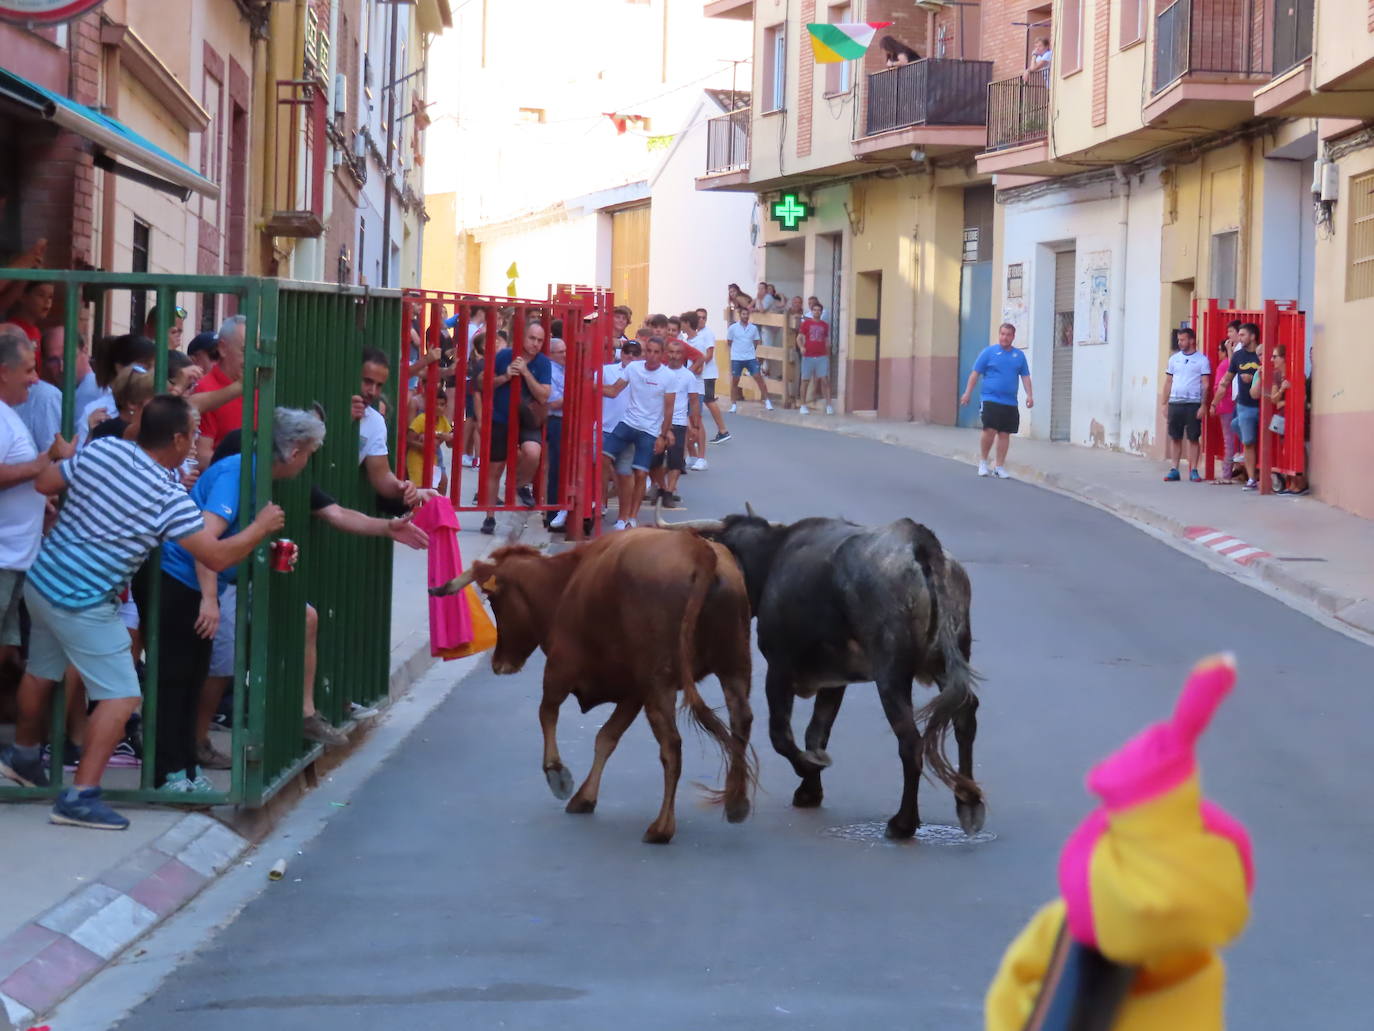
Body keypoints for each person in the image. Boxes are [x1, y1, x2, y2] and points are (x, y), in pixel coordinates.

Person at [0, 395, 284, 829]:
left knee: (41, 672)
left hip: (44, 580)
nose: (194, 443)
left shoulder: (105, 449)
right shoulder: (167, 495)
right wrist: (260, 529)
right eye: (191, 434)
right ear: (174, 438)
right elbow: (217, 556)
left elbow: (43, 484)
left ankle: (21, 758)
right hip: (83, 600)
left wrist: (76, 469)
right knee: (122, 696)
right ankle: (80, 797)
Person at [150, 408, 323, 791]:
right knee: (177, 679)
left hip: (196, 584)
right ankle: (167, 773)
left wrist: (262, 543)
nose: (308, 461)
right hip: (179, 581)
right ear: (294, 451)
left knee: (193, 678)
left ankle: (185, 768)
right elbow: (205, 541)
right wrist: (210, 599)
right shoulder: (238, 473)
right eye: (309, 452)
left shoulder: (256, 473)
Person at [0, 328, 53, 676]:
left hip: (15, 557)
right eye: (29, 370)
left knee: (7, 649)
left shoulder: (9, 413)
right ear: (4, 371)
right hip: (2, 557)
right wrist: (43, 463)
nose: (35, 379)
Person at [479, 320, 552, 534]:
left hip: (527, 419)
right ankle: (489, 516)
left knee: (533, 452)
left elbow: (544, 395)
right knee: (495, 468)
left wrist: (526, 373)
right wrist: (505, 376)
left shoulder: (543, 363)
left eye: (540, 340)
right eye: (532, 338)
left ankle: (521, 484)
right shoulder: (504, 355)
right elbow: (482, 382)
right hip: (501, 417)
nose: (536, 344)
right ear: (522, 337)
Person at [602, 335, 676, 530]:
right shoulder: (633, 368)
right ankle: (604, 500)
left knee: (641, 474)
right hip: (627, 423)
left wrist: (663, 436)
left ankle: (631, 518)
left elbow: (669, 410)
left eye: (656, 352)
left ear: (663, 355)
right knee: (602, 457)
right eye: (648, 351)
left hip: (649, 431)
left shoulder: (668, 377)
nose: (651, 356)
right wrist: (588, 385)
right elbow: (614, 391)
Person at [960, 322, 1033, 479]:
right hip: (990, 399)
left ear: (1013, 337)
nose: (1004, 337)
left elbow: (1025, 376)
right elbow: (975, 374)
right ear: (999, 335)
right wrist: (967, 393)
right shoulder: (988, 353)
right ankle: (983, 462)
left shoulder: (1019, 356)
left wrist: (1029, 395)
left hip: (1010, 402)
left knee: (1005, 434)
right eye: (1002, 334)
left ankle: (999, 466)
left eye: (1008, 335)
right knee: (990, 430)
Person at [77, 333, 158, 446]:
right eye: (145, 368)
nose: (151, 374)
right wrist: (90, 434)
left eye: (155, 368)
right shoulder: (96, 410)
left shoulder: (160, 403)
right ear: (120, 367)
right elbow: (78, 457)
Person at [1210, 321, 1262, 491]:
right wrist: (1215, 402)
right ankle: (1252, 478)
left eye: (1242, 335)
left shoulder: (1261, 354)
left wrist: (1254, 376)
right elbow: (1227, 379)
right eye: (1238, 334)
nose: (1239, 338)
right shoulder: (1238, 356)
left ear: (1252, 336)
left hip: (1263, 404)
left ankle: (1259, 474)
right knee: (1247, 441)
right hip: (1245, 405)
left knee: (1258, 441)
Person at [648, 338, 699, 509]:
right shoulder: (659, 373)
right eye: (671, 352)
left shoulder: (689, 376)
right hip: (658, 422)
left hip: (678, 422)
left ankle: (669, 492)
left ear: (683, 355)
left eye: (678, 353)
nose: (674, 356)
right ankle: (661, 488)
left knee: (676, 461)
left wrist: (695, 426)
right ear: (666, 353)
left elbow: (694, 401)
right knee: (654, 461)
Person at [193, 315, 247, 466]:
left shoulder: (260, 387)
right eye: (245, 350)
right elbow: (202, 457)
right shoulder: (205, 390)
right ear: (223, 349)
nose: (252, 358)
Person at [1161, 327, 1211, 482]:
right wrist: (1164, 403)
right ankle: (1174, 469)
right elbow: (1168, 381)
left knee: (1193, 437)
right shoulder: (1173, 359)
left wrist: (1203, 405)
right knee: (1175, 437)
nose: (1180, 342)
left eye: (1182, 340)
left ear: (1191, 340)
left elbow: (1206, 384)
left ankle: (1194, 469)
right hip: (1175, 402)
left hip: (1193, 403)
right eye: (1178, 340)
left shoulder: (1202, 360)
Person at [601, 336, 641, 517]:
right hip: (605, 427)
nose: (630, 356)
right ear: (621, 353)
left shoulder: (643, 375)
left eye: (635, 353)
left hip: (629, 429)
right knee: (600, 468)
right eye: (627, 352)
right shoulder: (606, 370)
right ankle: (601, 505)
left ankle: (623, 517)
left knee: (625, 474)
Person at [407, 386, 453, 492]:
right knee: (418, 489)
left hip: (433, 459)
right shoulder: (422, 419)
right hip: (416, 458)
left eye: (442, 405)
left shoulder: (443, 420)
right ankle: (416, 509)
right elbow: (408, 439)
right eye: (435, 404)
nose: (438, 408)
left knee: (441, 484)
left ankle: (436, 508)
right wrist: (424, 446)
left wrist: (450, 438)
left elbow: (449, 444)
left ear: (446, 406)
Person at [726, 308, 772, 413]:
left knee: (759, 378)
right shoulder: (733, 328)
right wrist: (736, 351)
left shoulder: (753, 328)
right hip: (737, 358)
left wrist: (750, 351)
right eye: (743, 314)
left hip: (750, 357)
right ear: (740, 315)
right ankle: (733, 405)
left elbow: (756, 341)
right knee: (735, 381)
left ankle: (767, 401)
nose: (745, 316)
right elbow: (729, 342)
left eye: (747, 314)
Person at [545, 337, 568, 531]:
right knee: (557, 469)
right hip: (556, 421)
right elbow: (554, 403)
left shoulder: (565, 369)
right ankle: (552, 513)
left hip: (567, 420)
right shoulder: (551, 370)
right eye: (560, 352)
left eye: (565, 351)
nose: (565, 355)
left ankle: (560, 510)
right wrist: (575, 391)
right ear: (551, 354)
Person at [796, 300, 834, 415]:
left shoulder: (824, 325)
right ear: (811, 312)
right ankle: (803, 405)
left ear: (821, 312)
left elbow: (826, 340)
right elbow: (799, 338)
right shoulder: (806, 324)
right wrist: (802, 347)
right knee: (805, 380)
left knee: (825, 380)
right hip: (808, 356)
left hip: (821, 356)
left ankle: (828, 405)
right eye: (815, 310)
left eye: (819, 310)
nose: (817, 312)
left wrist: (827, 354)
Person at [1213, 332, 1238, 483]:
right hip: (1232, 405)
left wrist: (1214, 404)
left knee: (1228, 441)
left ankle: (1226, 474)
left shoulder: (1224, 366)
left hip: (1226, 406)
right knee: (1233, 440)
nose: (1217, 353)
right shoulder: (1230, 364)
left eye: (1219, 350)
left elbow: (1221, 387)